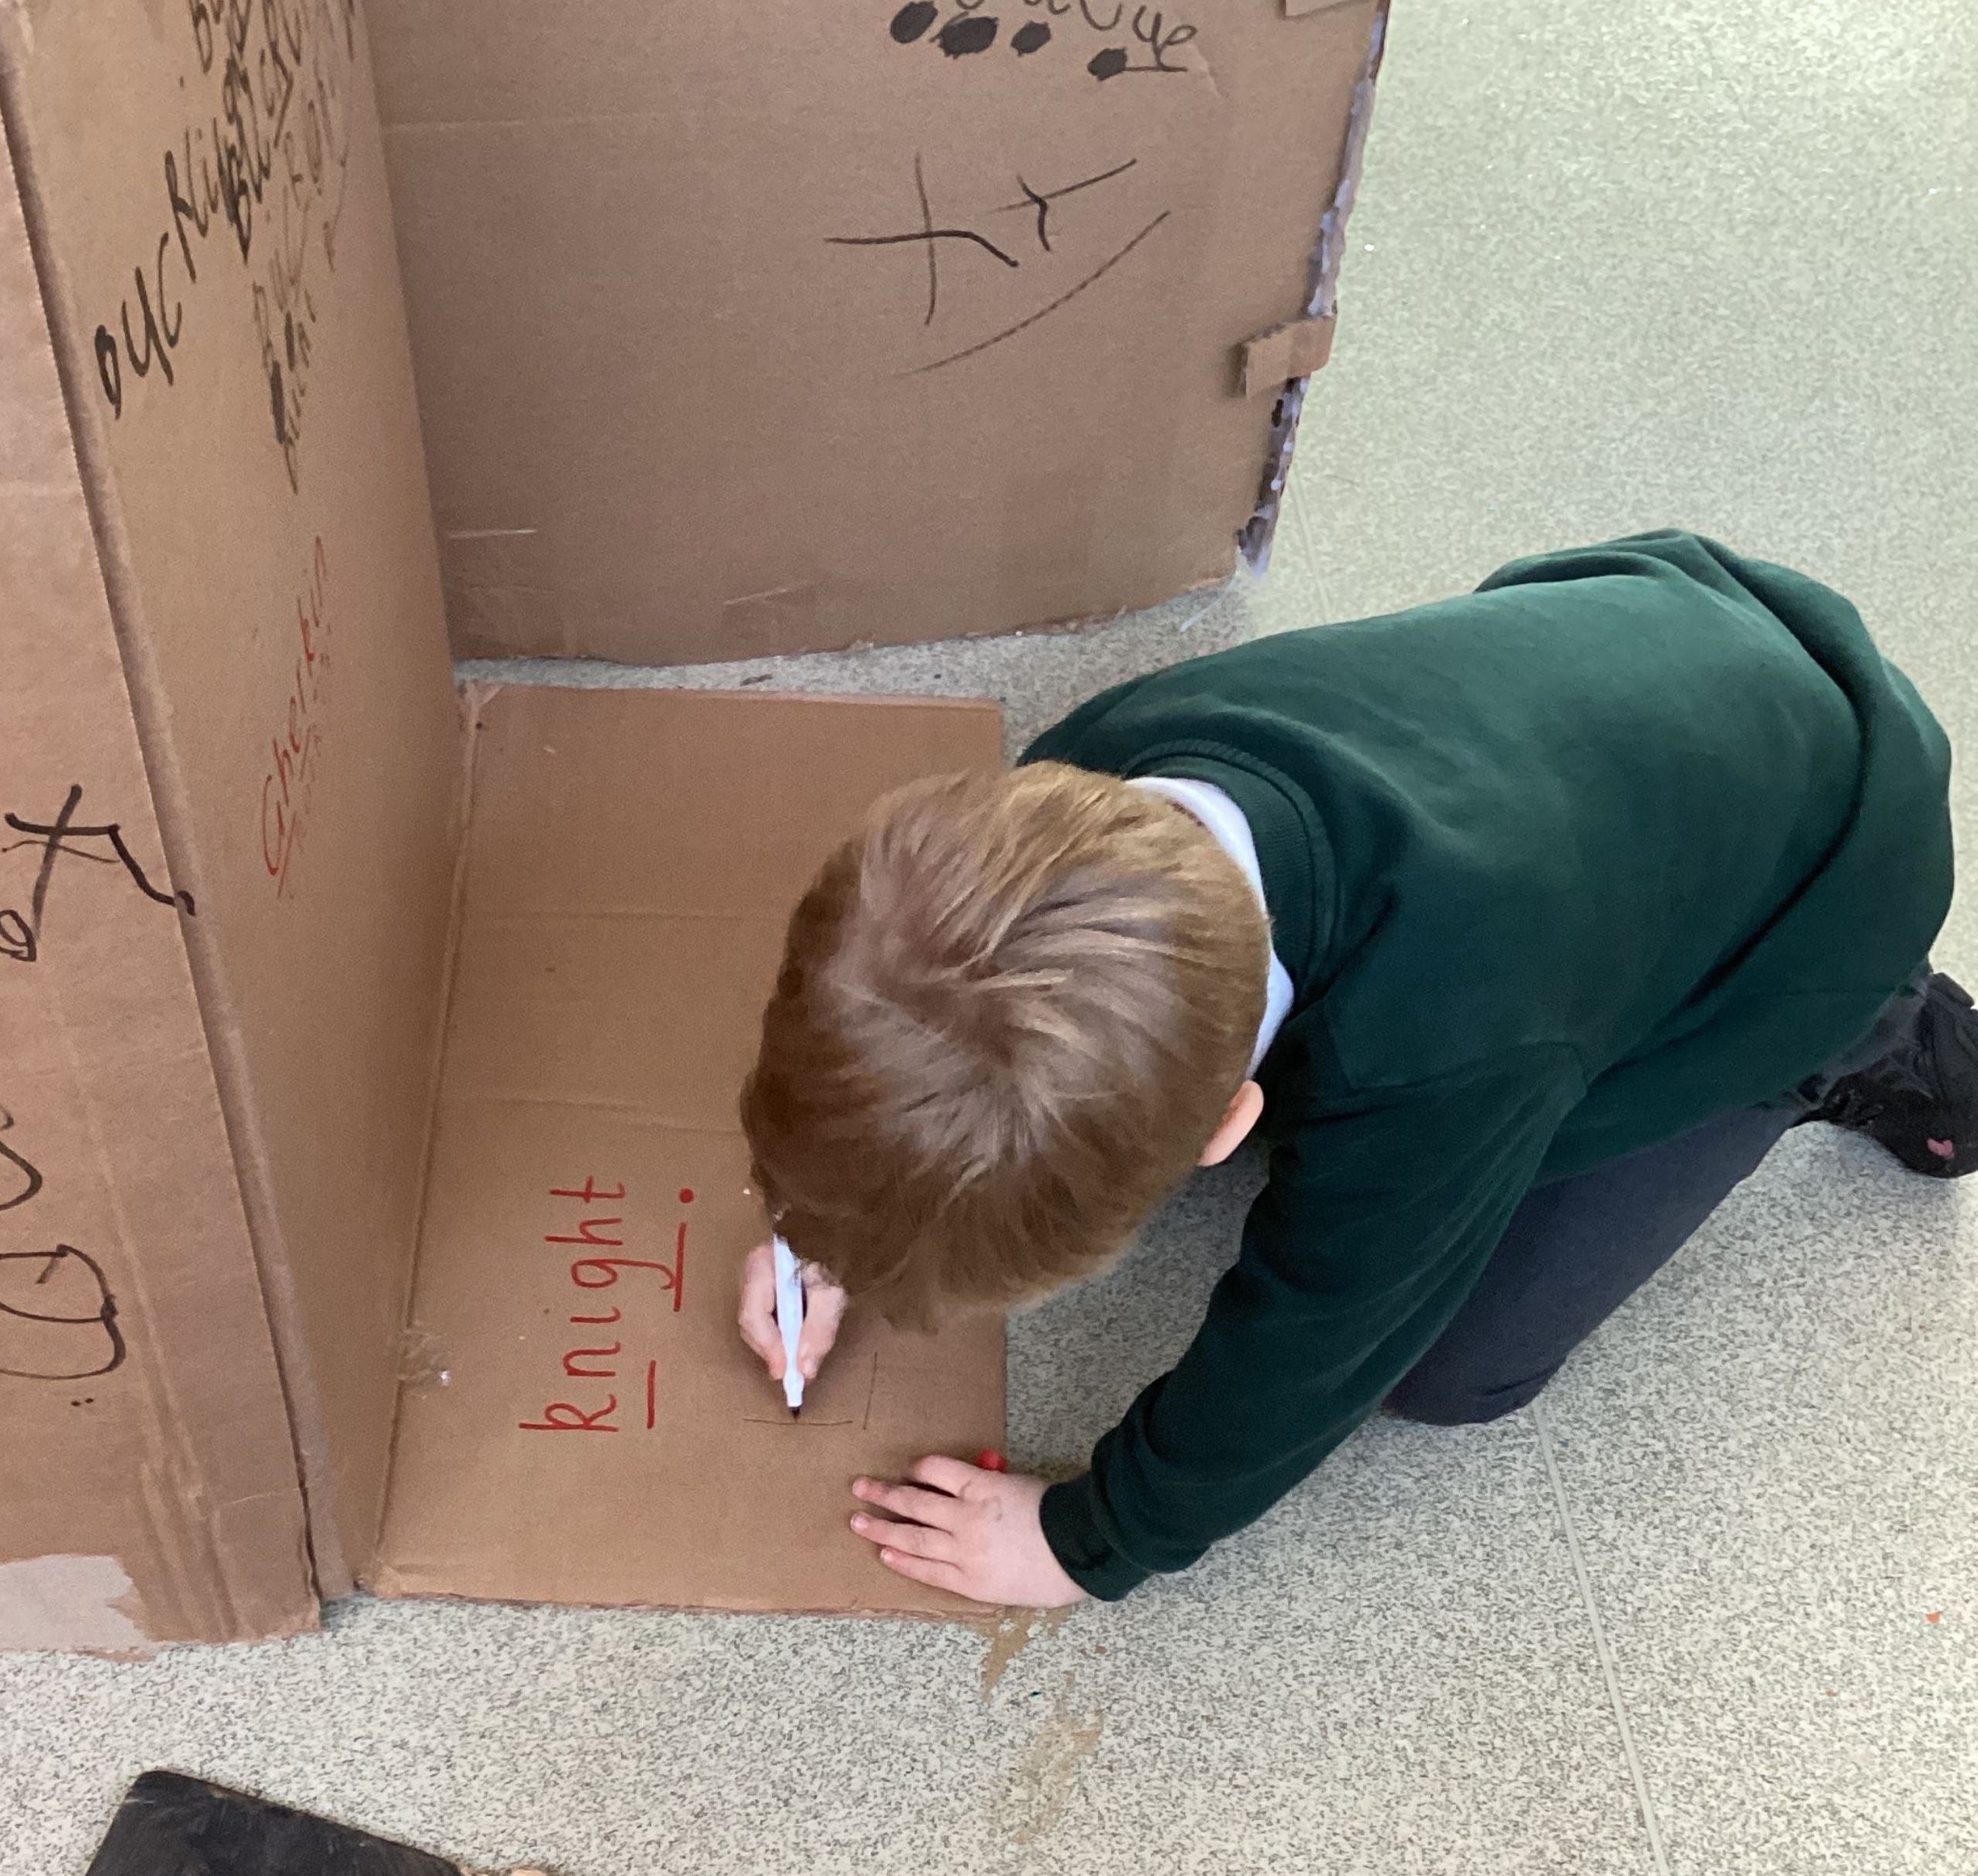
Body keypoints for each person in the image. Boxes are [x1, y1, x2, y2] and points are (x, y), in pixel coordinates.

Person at [735, 533, 1970, 1607]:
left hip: (1823, 894)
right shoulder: (1056, 805)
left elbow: (1320, 1335)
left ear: (1232, 1124)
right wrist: (829, 1218)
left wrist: (1093, 1538)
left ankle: (1880, 1037)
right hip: (1620, 663)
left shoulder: (1438, 1057)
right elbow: (927, 1027)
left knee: (1453, 1369)